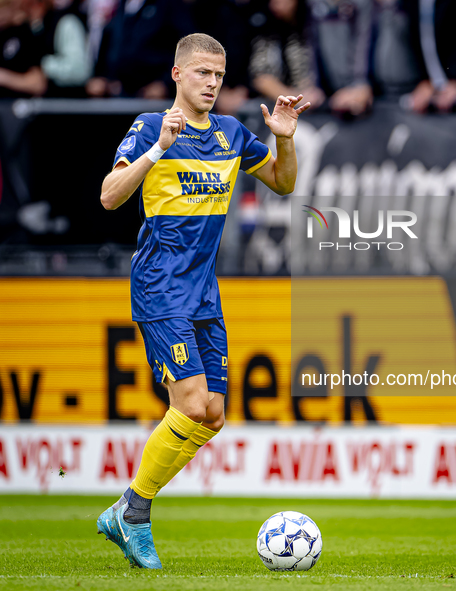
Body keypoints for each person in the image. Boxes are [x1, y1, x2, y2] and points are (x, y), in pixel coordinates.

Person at [96, 32, 310, 569]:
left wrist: (283, 137)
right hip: (160, 285)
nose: (212, 83)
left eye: (218, 74)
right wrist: (157, 151)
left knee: (213, 415)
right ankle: (134, 513)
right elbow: (108, 195)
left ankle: (125, 509)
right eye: (201, 73)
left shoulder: (233, 133)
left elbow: (284, 184)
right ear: (177, 74)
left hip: (203, 292)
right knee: (189, 404)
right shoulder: (151, 127)